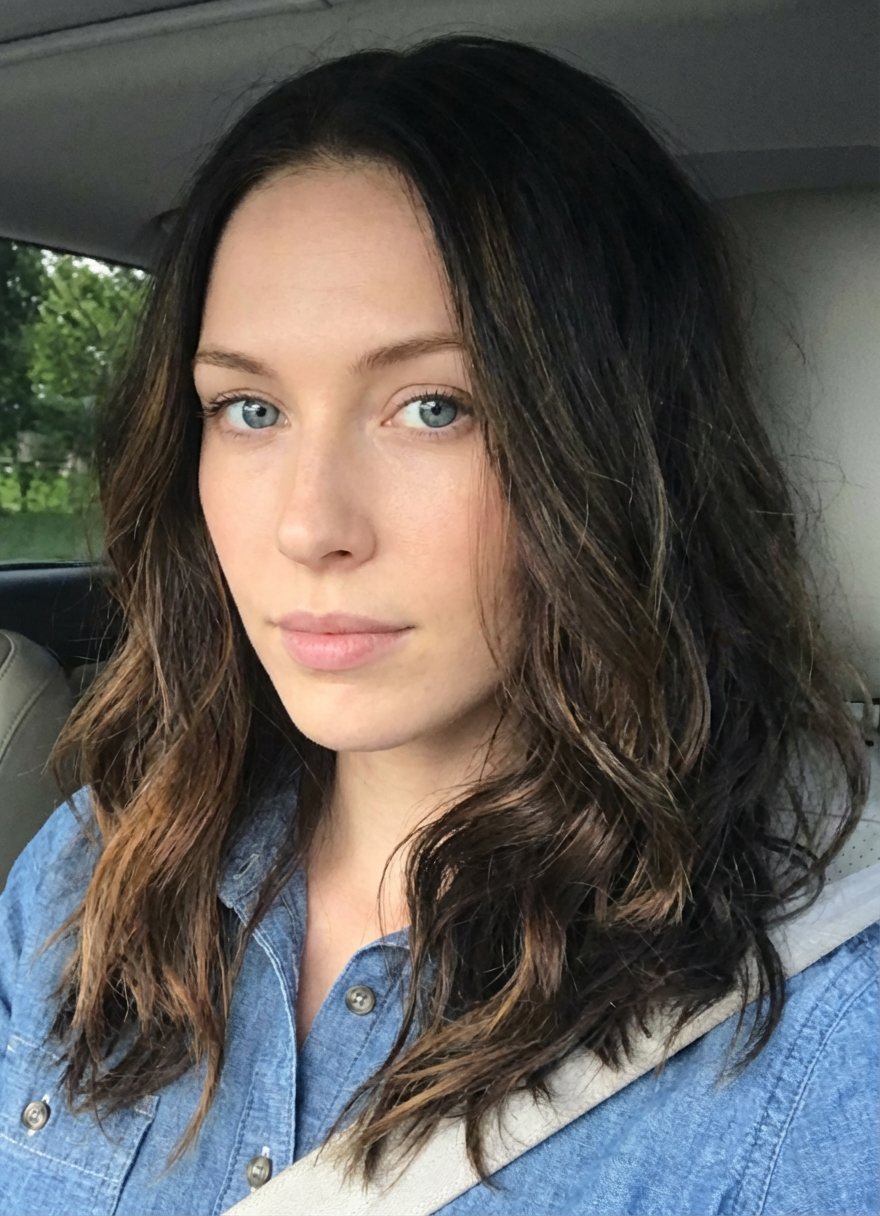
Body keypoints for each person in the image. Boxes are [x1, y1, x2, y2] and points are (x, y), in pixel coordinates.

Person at [0, 33, 876, 1216]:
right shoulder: (90, 870)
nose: (310, 525)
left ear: (612, 450)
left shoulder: (826, 1038)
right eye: (249, 408)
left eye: (433, 407)